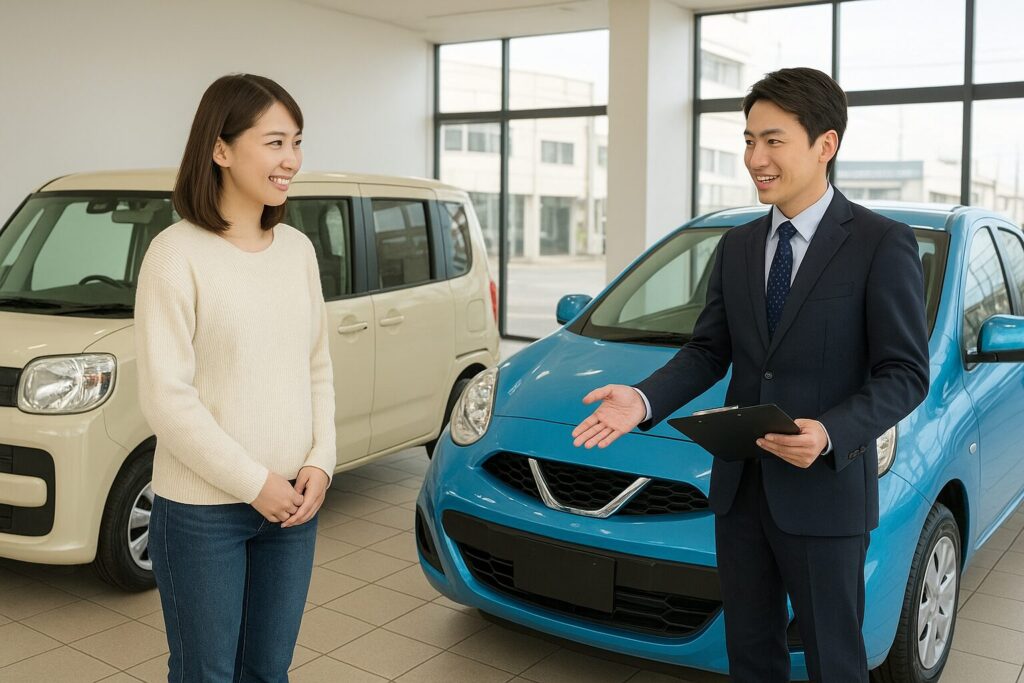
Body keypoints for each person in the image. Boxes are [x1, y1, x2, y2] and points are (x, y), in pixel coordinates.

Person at [571, 67, 929, 682]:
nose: (754, 158)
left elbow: (904, 373)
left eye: (772, 140)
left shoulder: (880, 243)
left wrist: (829, 432)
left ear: (826, 145)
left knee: (834, 659)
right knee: (750, 655)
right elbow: (709, 352)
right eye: (747, 141)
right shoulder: (736, 246)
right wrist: (642, 399)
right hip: (741, 495)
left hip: (824, 495)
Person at [135, 74, 336, 681]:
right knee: (206, 675)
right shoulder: (177, 254)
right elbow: (167, 400)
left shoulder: (297, 249)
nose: (291, 160)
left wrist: (322, 461)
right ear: (220, 149)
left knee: (267, 673)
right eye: (275, 142)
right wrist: (255, 483)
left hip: (293, 508)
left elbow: (317, 366)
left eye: (297, 142)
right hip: (203, 514)